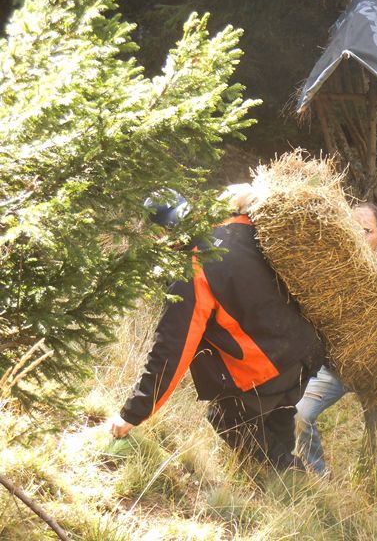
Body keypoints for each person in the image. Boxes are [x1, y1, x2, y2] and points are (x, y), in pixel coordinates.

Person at [109, 192, 325, 471]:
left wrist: (132, 414)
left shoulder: (193, 273)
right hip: (306, 350)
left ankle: (288, 475)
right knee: (276, 422)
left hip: (268, 368)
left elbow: (171, 351)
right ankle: (289, 486)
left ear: (162, 233)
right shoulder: (238, 224)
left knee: (226, 419)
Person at [293, 202, 377, 476]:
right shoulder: (332, 271)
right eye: (353, 229)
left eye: (366, 231)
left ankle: (372, 484)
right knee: (300, 415)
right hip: (337, 368)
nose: (359, 236)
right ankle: (318, 475)